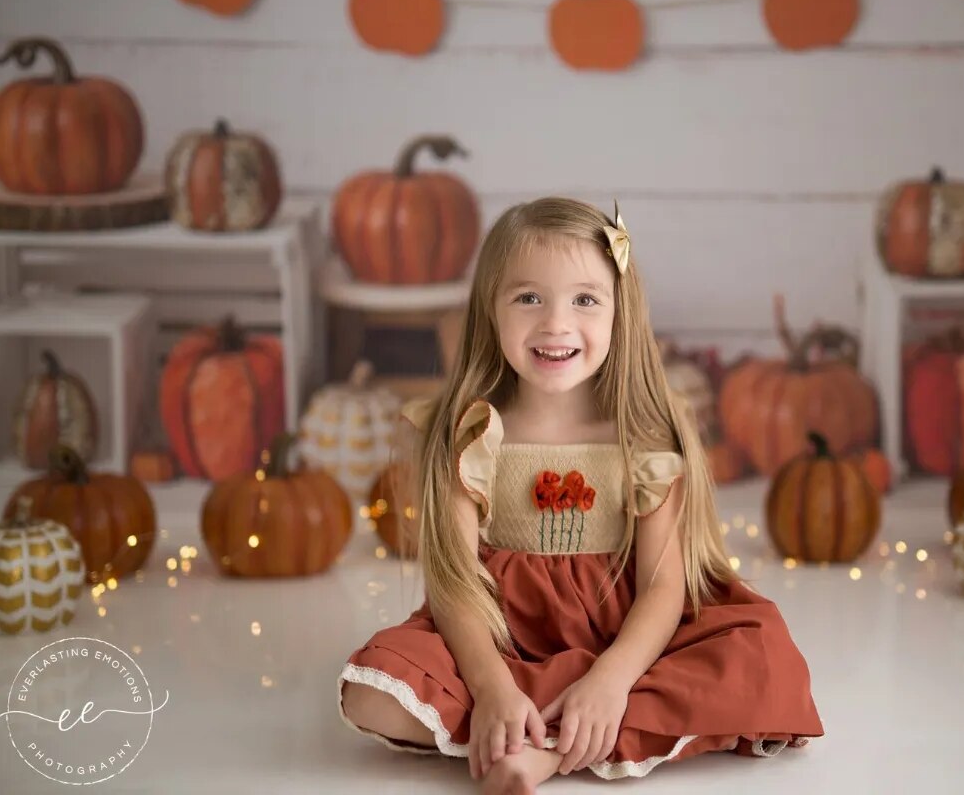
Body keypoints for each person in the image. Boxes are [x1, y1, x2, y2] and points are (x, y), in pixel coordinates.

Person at [337, 197, 823, 793]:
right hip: (501, 642)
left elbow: (664, 587)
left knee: (764, 661)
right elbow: (455, 582)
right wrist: (490, 687)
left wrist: (612, 679)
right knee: (370, 692)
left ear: (621, 311)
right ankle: (533, 724)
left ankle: (545, 744)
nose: (555, 324)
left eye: (585, 299)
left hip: (630, 644)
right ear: (490, 308)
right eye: (528, 297)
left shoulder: (643, 433)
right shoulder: (469, 430)